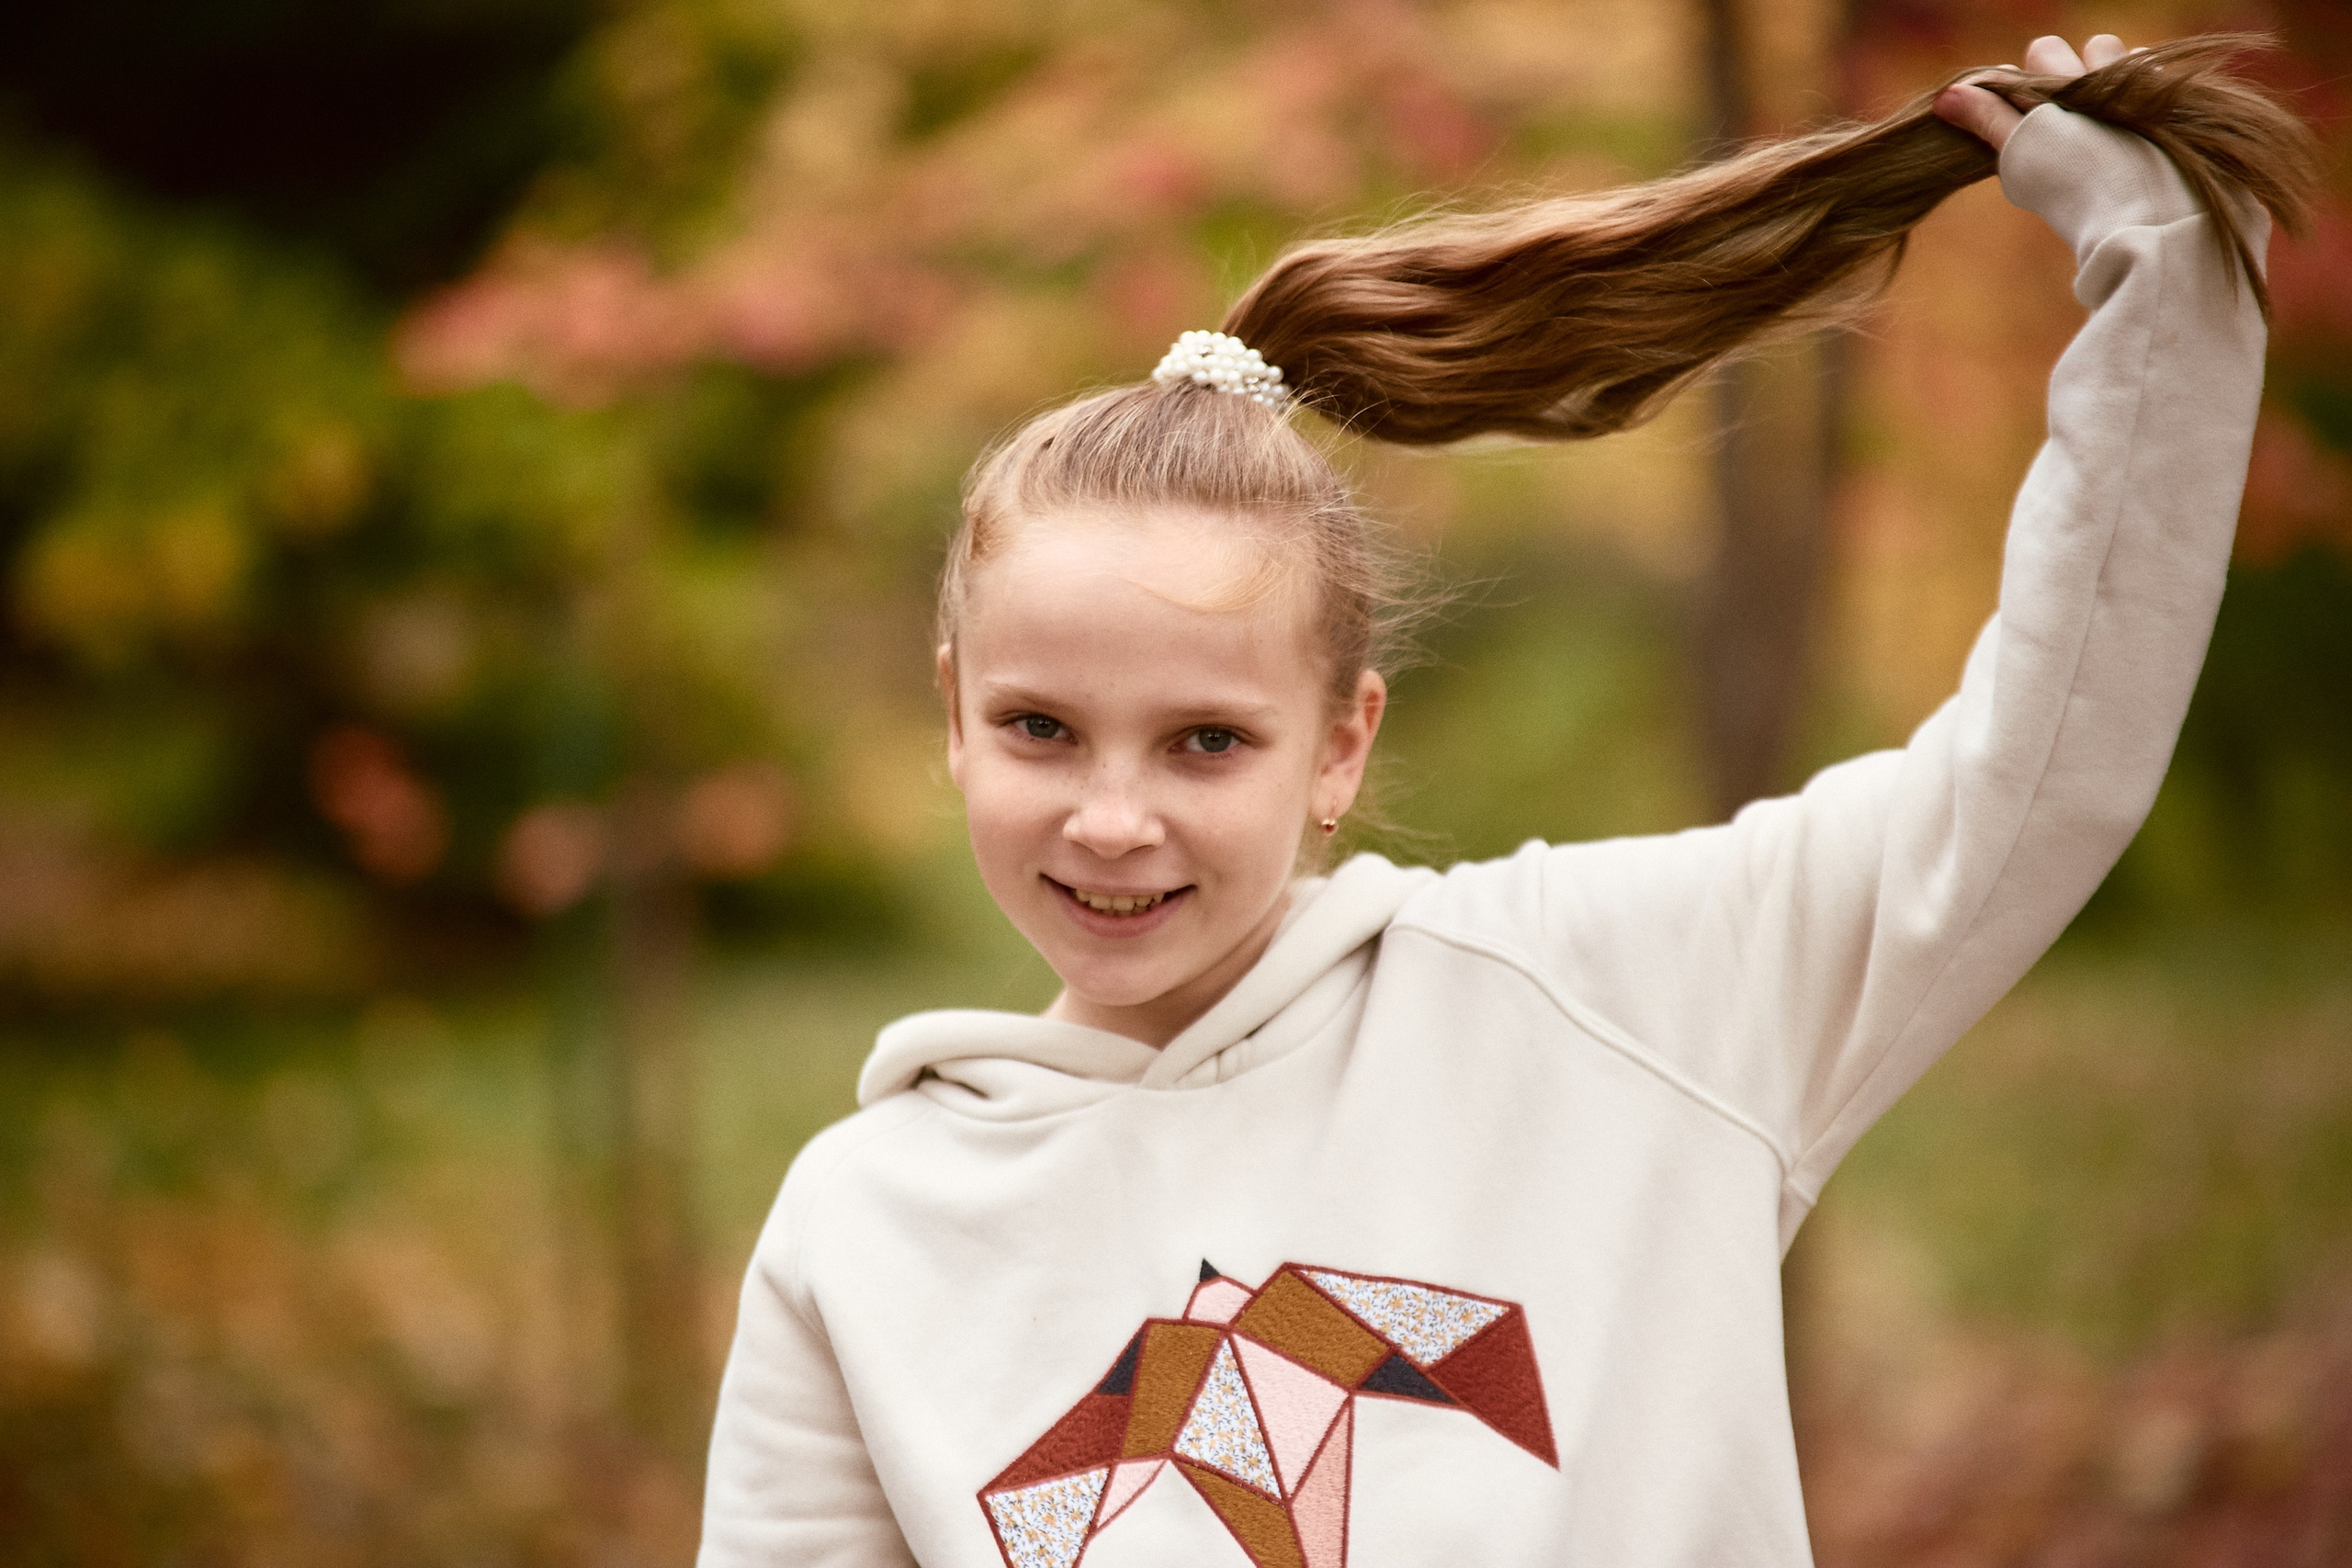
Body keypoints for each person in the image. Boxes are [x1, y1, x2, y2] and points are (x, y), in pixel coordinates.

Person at [699, 32, 2313, 1568]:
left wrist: (2161, 284)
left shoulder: (1616, 996)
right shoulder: (862, 1228)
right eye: (1043, 727)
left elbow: (2036, 777)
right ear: (954, 722)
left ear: (1341, 744)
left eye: (1207, 743)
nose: (1114, 818)